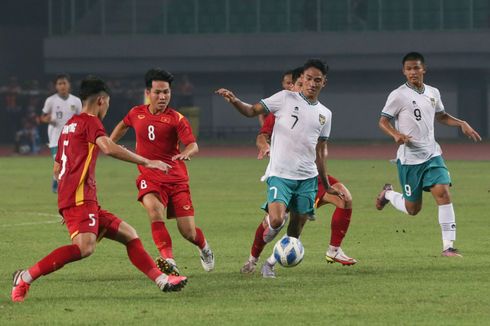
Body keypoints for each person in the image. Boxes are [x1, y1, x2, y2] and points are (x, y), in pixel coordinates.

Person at [11, 76, 187, 302]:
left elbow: (57, 169)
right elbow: (108, 148)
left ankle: (162, 280)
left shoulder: (70, 125)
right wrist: (147, 161)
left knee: (129, 235)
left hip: (81, 200)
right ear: (102, 100)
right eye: (109, 103)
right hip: (80, 200)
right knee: (85, 248)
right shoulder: (91, 121)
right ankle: (24, 277)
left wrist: (70, 201)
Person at [216, 59, 343, 278]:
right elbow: (251, 110)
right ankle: (255, 255)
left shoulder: (325, 114)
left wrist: (327, 183)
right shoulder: (284, 98)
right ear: (301, 79)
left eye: (318, 80)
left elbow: (320, 152)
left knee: (294, 233)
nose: (312, 83)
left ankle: (270, 263)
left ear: (325, 83)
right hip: (280, 175)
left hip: (307, 179)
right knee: (276, 220)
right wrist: (235, 100)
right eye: (309, 78)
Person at [376, 52, 482, 257]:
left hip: (432, 154)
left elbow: (441, 116)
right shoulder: (398, 95)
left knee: (443, 193)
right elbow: (382, 121)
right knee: (413, 209)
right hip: (409, 160)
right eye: (409, 69)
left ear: (423, 69)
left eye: (416, 68)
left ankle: (448, 247)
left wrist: (461, 123)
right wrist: (395, 134)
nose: (413, 72)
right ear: (404, 72)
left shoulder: (433, 92)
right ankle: (388, 194)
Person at [110, 68, 214, 275]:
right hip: (150, 177)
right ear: (148, 92)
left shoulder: (176, 118)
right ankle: (169, 260)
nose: (163, 97)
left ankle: (204, 248)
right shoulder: (136, 113)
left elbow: (193, 145)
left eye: (166, 92)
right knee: (154, 211)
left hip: (176, 179)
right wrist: (110, 143)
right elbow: (123, 125)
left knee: (188, 232)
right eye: (158, 92)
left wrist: (187, 152)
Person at [40, 74, 82, 193]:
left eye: (64, 83)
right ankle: (59, 186)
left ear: (69, 85)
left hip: (72, 137)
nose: (62, 86)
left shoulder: (76, 101)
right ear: (56, 86)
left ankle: (57, 183)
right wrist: (46, 119)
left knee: (70, 164)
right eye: (60, 84)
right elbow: (42, 117)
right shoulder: (51, 100)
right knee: (60, 163)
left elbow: (81, 118)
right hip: (55, 138)